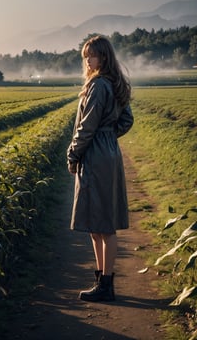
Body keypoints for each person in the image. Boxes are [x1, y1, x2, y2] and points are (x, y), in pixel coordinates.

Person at [67, 35, 134, 302]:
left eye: (91, 55)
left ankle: (106, 285)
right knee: (98, 224)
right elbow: (126, 120)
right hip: (108, 153)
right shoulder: (114, 84)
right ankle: (100, 281)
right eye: (85, 55)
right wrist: (109, 136)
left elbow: (86, 127)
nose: (87, 60)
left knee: (103, 225)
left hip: (95, 155)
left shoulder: (98, 86)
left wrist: (73, 154)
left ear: (103, 57)